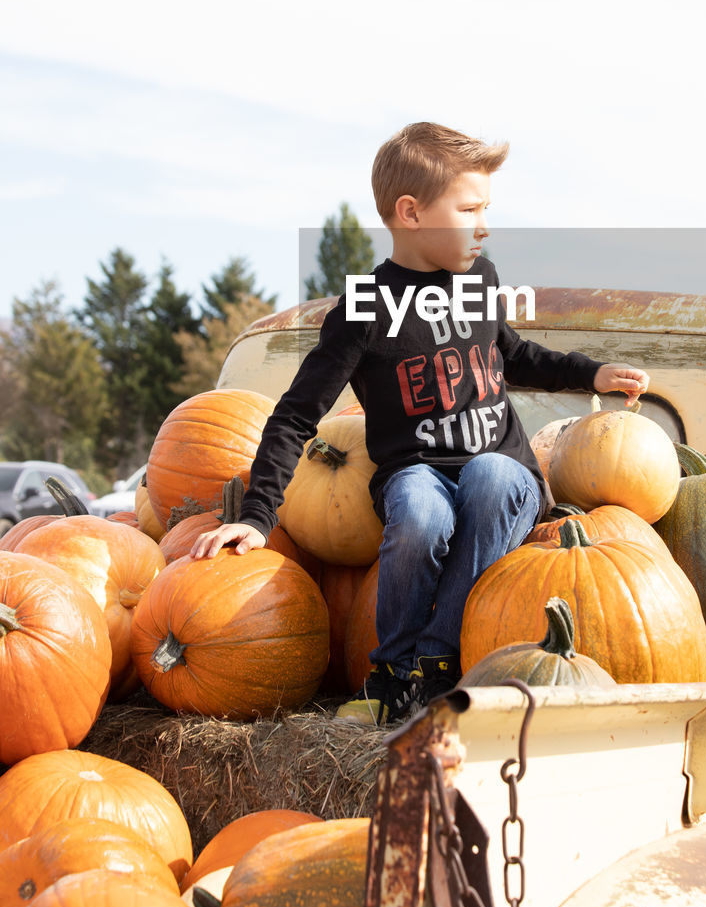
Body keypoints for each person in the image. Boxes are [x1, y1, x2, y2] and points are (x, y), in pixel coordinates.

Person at [190, 122, 649, 725]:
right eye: (469, 209)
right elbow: (296, 413)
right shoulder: (363, 309)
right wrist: (255, 517)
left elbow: (514, 355)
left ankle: (434, 665)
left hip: (505, 477)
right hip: (420, 474)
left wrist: (591, 375)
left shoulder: (480, 280)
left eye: (487, 209)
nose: (484, 225)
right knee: (421, 508)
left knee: (488, 475)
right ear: (410, 213)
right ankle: (390, 673)